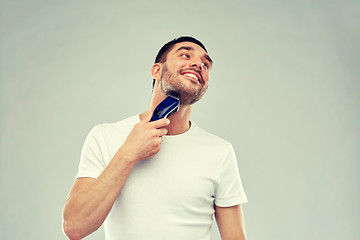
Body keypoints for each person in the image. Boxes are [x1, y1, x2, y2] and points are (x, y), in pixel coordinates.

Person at [62, 36, 248, 240]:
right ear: (156, 71)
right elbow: (74, 227)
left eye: (206, 64)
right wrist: (128, 153)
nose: (198, 64)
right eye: (186, 55)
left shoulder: (220, 151)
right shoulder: (105, 136)